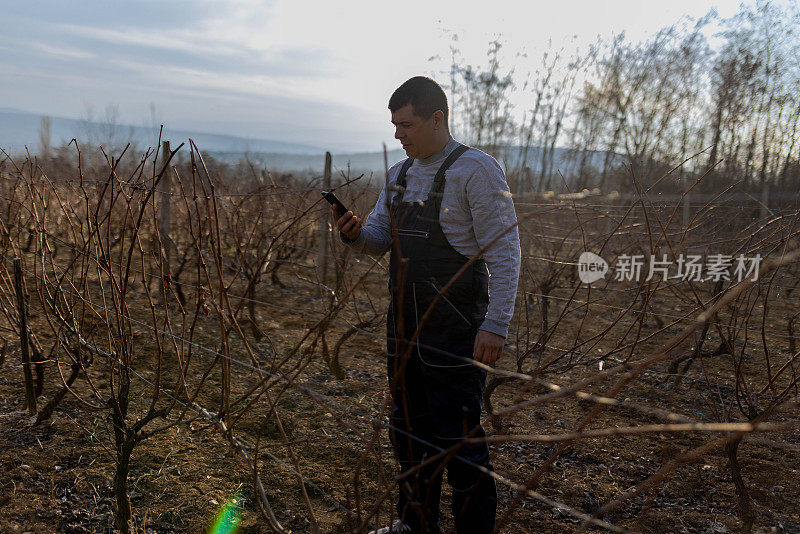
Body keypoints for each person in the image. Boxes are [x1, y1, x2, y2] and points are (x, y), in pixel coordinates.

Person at [333, 76, 521, 534]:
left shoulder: (477, 170)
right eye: (394, 125)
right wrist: (355, 234)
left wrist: (495, 324)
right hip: (402, 326)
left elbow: (505, 251)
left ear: (438, 119)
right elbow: (379, 239)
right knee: (408, 430)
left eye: (407, 124)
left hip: (455, 328)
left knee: (457, 439)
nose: (398, 134)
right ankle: (414, 524)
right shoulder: (398, 175)